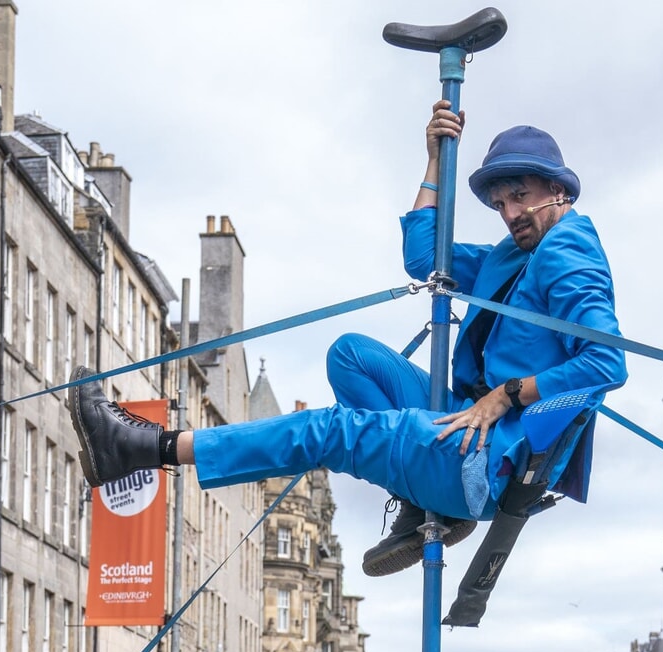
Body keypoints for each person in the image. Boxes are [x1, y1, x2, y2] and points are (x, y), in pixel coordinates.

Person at [68, 94, 624, 577]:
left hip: (489, 455)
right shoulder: (518, 253)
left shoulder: (569, 251)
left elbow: (606, 365)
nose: (509, 212)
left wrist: (507, 394)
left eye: (519, 196)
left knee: (334, 432)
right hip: (467, 418)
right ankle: (418, 496)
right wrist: (433, 160)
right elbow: (423, 258)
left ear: (557, 189)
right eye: (500, 202)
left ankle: (148, 448)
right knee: (351, 356)